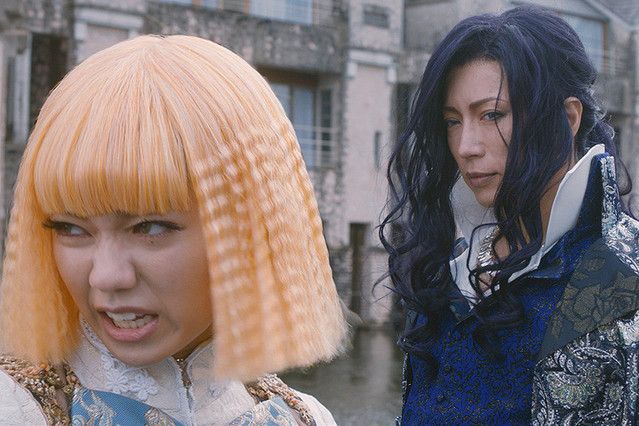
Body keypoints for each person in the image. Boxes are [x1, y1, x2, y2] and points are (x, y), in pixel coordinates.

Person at [0, 35, 346, 425]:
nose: (106, 277)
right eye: (71, 228)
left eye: (149, 227)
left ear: (250, 230)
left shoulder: (305, 418)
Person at [379, 5, 639, 425]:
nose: (466, 146)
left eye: (492, 115)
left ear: (568, 118)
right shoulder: (445, 265)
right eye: (452, 121)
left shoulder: (626, 274)